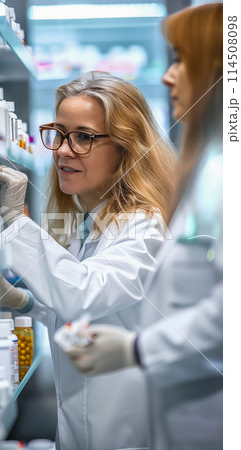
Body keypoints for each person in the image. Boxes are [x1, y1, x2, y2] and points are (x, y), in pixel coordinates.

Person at [0, 71, 175, 449]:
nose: (62, 150)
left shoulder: (145, 227)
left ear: (125, 148)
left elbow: (83, 293)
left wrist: (14, 220)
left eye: (84, 137)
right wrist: (24, 301)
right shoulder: (90, 222)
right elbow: (96, 313)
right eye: (59, 133)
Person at [65, 4, 223, 450]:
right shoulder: (208, 174)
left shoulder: (221, 181)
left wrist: (137, 350)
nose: (169, 76)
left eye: (182, 60)